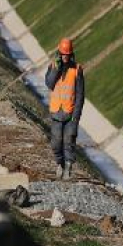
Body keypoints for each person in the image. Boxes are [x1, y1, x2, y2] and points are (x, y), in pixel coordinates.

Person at [45, 37, 85, 180]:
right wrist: (56, 69)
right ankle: (59, 164)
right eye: (63, 54)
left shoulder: (77, 70)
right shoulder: (53, 67)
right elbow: (49, 84)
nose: (65, 57)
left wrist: (76, 116)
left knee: (69, 140)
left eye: (67, 54)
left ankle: (68, 168)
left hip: (70, 113)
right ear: (59, 54)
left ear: (71, 54)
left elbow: (80, 95)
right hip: (56, 112)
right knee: (56, 142)